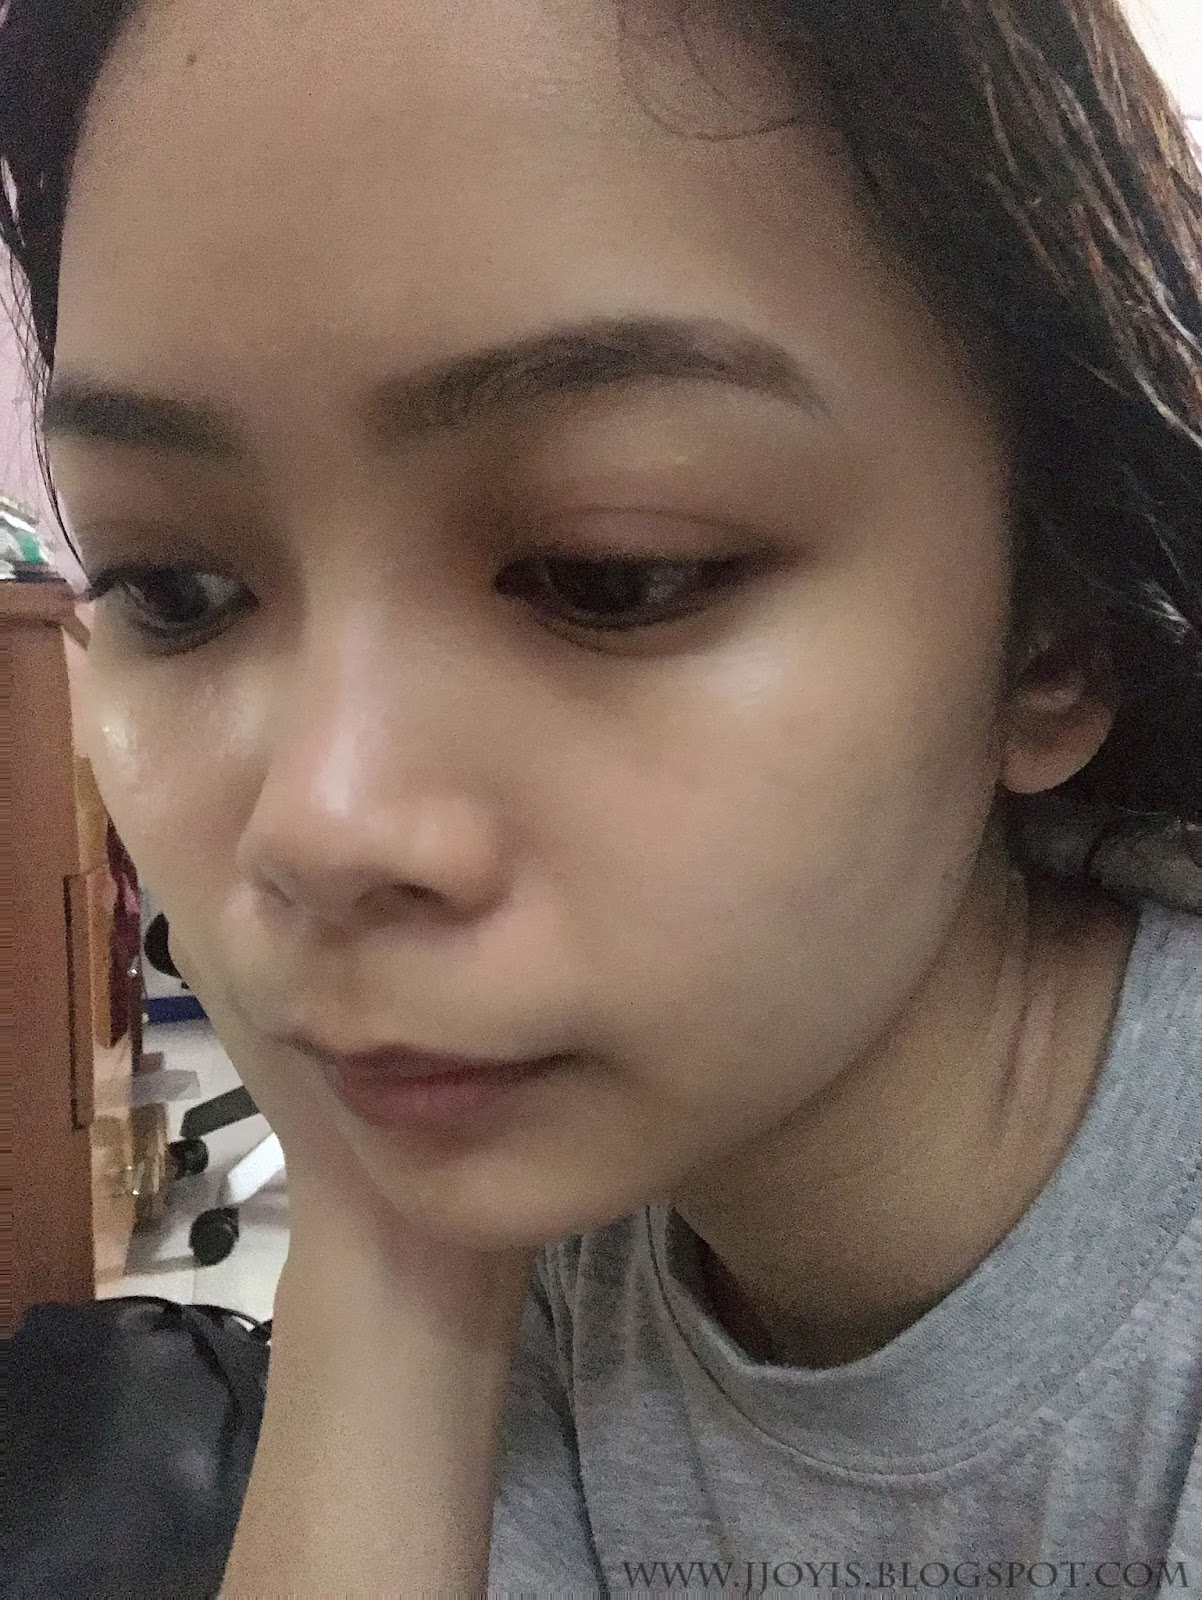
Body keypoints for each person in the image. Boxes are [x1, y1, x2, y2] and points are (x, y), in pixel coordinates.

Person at [3, 0, 1200, 1590]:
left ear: (1056, 626)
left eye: (609, 574)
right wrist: (387, 1237)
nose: (317, 826)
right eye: (175, 588)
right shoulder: (567, 1201)